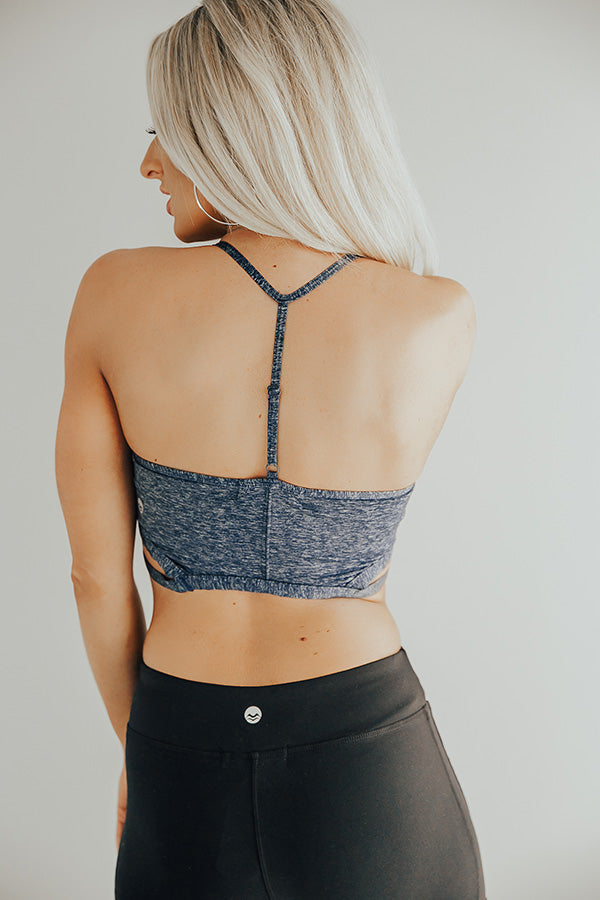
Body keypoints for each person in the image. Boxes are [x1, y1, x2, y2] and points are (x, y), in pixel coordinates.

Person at [55, 1, 486, 897]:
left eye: (164, 131)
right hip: (371, 758)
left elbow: (96, 578)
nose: (148, 163)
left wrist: (146, 752)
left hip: (180, 738)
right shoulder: (435, 314)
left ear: (230, 132)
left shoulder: (113, 293)